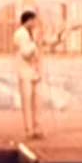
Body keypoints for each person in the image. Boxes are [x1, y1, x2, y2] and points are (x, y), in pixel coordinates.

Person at [13, 10, 66, 139]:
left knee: (37, 102)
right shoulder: (20, 34)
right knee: (27, 101)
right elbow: (26, 52)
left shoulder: (34, 33)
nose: (36, 23)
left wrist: (59, 36)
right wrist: (35, 42)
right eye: (34, 20)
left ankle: (37, 127)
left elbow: (48, 42)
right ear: (29, 20)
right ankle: (29, 129)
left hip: (36, 72)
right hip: (25, 72)